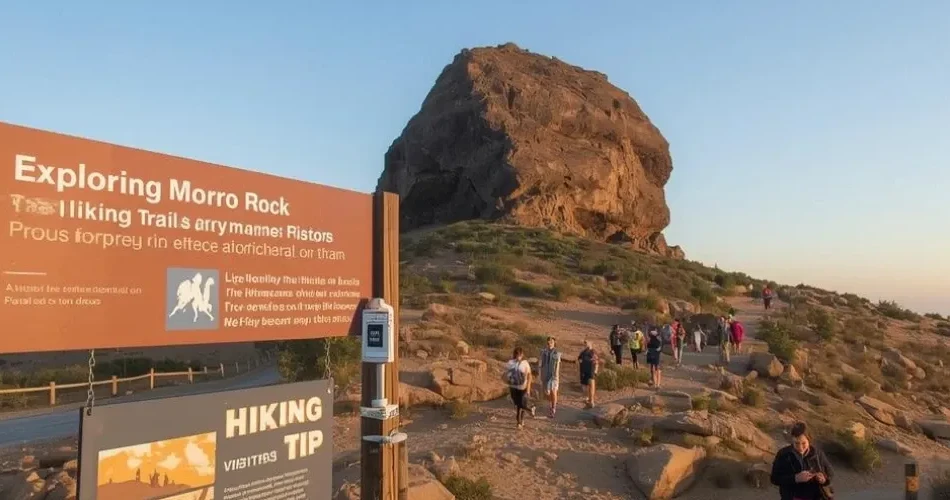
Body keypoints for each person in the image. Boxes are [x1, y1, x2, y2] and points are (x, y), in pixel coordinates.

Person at [770, 421, 834, 500]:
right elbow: (775, 479)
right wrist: (795, 478)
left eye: (804, 443)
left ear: (809, 440)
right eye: (796, 443)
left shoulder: (818, 454)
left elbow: (830, 474)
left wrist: (823, 479)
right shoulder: (783, 454)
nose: (800, 447)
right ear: (792, 440)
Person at [503, 347, 535, 429]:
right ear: (514, 355)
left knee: (521, 404)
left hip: (522, 387)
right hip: (513, 387)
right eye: (517, 355)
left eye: (520, 355)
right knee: (517, 403)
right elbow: (505, 374)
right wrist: (506, 381)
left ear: (522, 355)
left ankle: (519, 422)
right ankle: (530, 409)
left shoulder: (525, 363)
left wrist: (528, 388)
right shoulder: (510, 363)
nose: (518, 357)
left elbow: (529, 376)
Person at [538, 336, 562, 418]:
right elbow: (540, 364)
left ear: (554, 343)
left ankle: (553, 408)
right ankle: (551, 404)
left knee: (553, 391)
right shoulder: (543, 352)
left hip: (553, 375)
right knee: (547, 392)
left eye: (551, 342)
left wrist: (556, 375)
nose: (549, 343)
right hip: (545, 374)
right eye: (548, 342)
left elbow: (557, 364)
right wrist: (540, 374)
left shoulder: (557, 353)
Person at [578, 340, 599, 408]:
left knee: (591, 385)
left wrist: (595, 371)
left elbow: (596, 362)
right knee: (584, 387)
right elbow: (579, 359)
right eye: (584, 343)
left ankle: (591, 401)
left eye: (586, 342)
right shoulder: (583, 352)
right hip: (583, 371)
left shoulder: (593, 352)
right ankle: (588, 398)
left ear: (591, 343)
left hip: (591, 371)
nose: (585, 344)